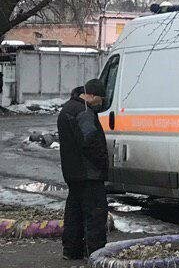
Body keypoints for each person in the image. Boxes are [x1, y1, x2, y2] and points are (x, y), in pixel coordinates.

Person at [58, 79, 110, 260]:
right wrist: (103, 162)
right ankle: (96, 253)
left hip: (72, 173)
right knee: (95, 214)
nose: (100, 104)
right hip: (90, 173)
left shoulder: (67, 109)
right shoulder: (85, 112)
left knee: (74, 213)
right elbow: (90, 142)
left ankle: (71, 250)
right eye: (100, 99)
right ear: (92, 95)